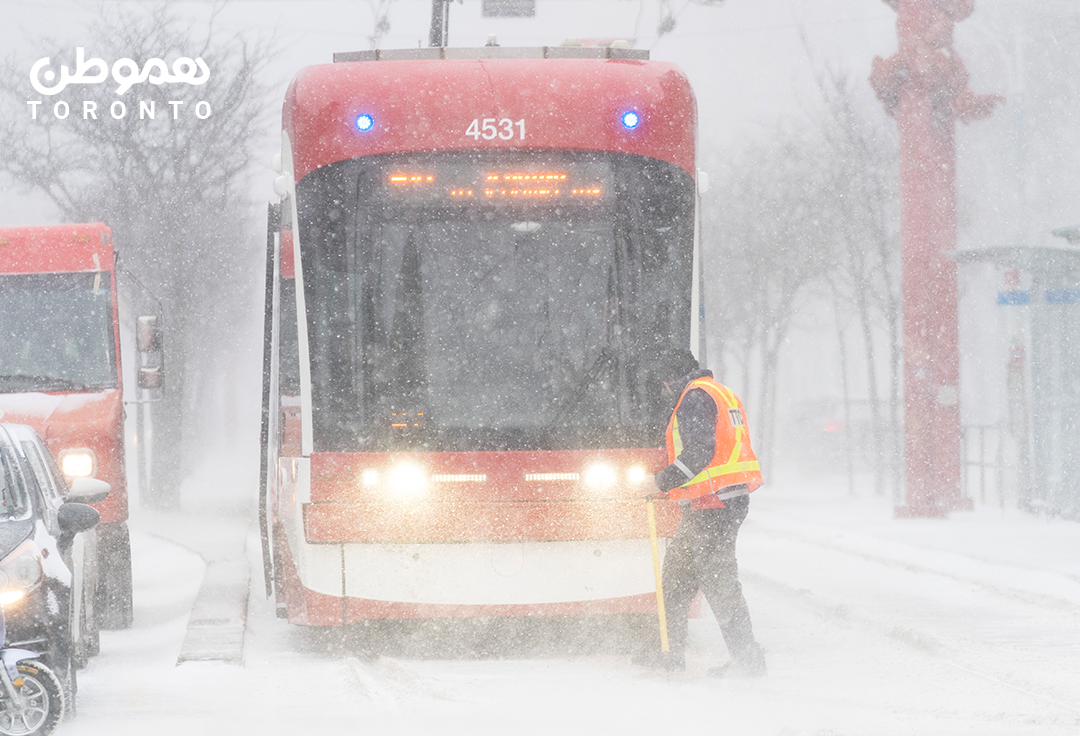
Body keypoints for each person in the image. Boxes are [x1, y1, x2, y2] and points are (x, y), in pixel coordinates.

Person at [634, 350, 766, 677]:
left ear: (670, 381)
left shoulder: (694, 398)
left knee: (720, 584)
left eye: (665, 385)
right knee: (676, 582)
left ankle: (748, 662)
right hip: (713, 502)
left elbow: (700, 451)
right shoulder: (719, 391)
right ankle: (669, 652)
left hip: (714, 503)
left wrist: (659, 482)